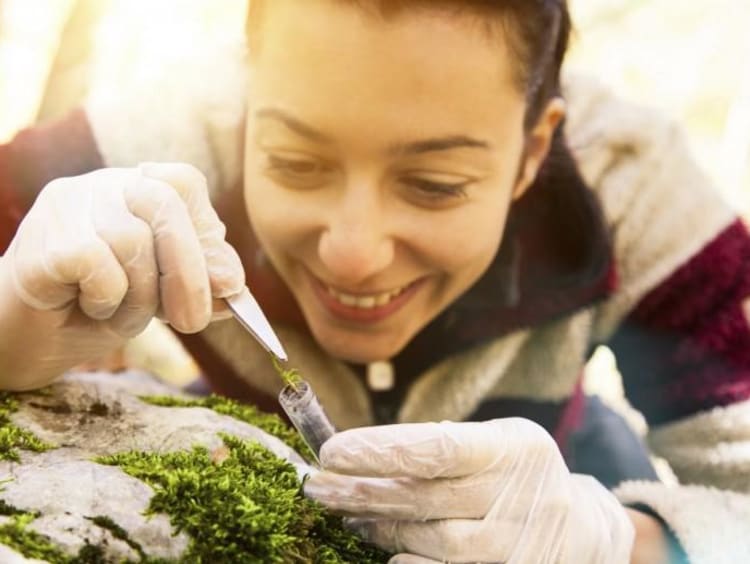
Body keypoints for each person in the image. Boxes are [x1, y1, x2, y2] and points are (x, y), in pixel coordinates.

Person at [0, 0, 748, 561]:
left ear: (531, 153)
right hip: (250, 426)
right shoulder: (155, 140)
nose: (353, 255)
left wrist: (620, 543)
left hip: (562, 461)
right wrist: (8, 329)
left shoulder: (637, 188)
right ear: (247, 102)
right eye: (296, 163)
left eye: (433, 183)